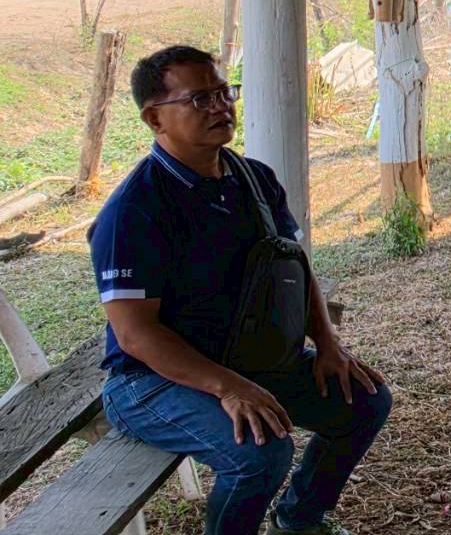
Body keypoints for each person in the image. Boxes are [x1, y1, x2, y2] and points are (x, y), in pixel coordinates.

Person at [91, 45, 390, 535]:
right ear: (154, 118)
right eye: (199, 99)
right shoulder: (135, 210)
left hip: (247, 358)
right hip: (152, 381)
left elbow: (292, 268)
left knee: (364, 401)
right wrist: (228, 386)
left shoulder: (253, 178)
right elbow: (136, 336)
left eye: (223, 93)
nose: (220, 107)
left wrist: (328, 344)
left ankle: (299, 522)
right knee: (260, 453)